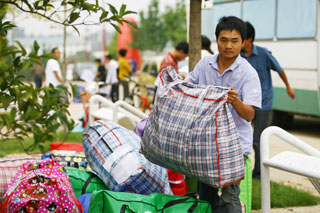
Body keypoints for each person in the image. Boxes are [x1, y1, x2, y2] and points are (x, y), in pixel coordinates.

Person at [186, 16, 262, 212]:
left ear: (243, 43)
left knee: (229, 198)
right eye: (223, 40)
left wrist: (235, 100)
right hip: (206, 144)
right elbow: (188, 89)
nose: (229, 45)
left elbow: (249, 115)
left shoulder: (248, 73)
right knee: (206, 197)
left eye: (234, 41)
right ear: (216, 40)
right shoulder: (204, 65)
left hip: (234, 147)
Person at [241, 21, 296, 179]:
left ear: (249, 39)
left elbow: (280, 70)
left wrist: (288, 87)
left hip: (263, 103)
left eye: (240, 39)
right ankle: (242, 171)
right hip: (246, 103)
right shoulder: (239, 56)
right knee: (245, 137)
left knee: (258, 139)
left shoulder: (264, 54)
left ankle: (259, 173)